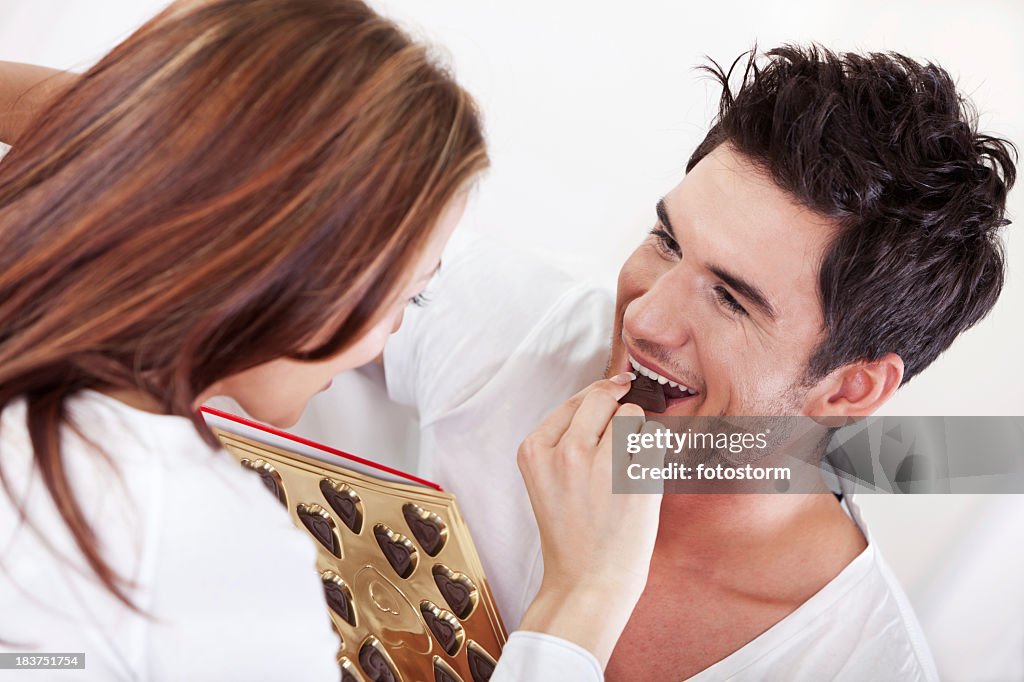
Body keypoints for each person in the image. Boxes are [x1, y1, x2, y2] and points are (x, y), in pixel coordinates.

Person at [0, 1, 660, 680]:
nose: (649, 317)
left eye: (736, 298)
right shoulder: (207, 551)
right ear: (307, 267)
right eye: (411, 295)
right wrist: (587, 596)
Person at [350, 46, 1016, 680]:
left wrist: (585, 595)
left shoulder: (855, 667)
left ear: (849, 390)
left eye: (730, 299)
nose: (643, 320)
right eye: (668, 241)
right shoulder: (525, 334)